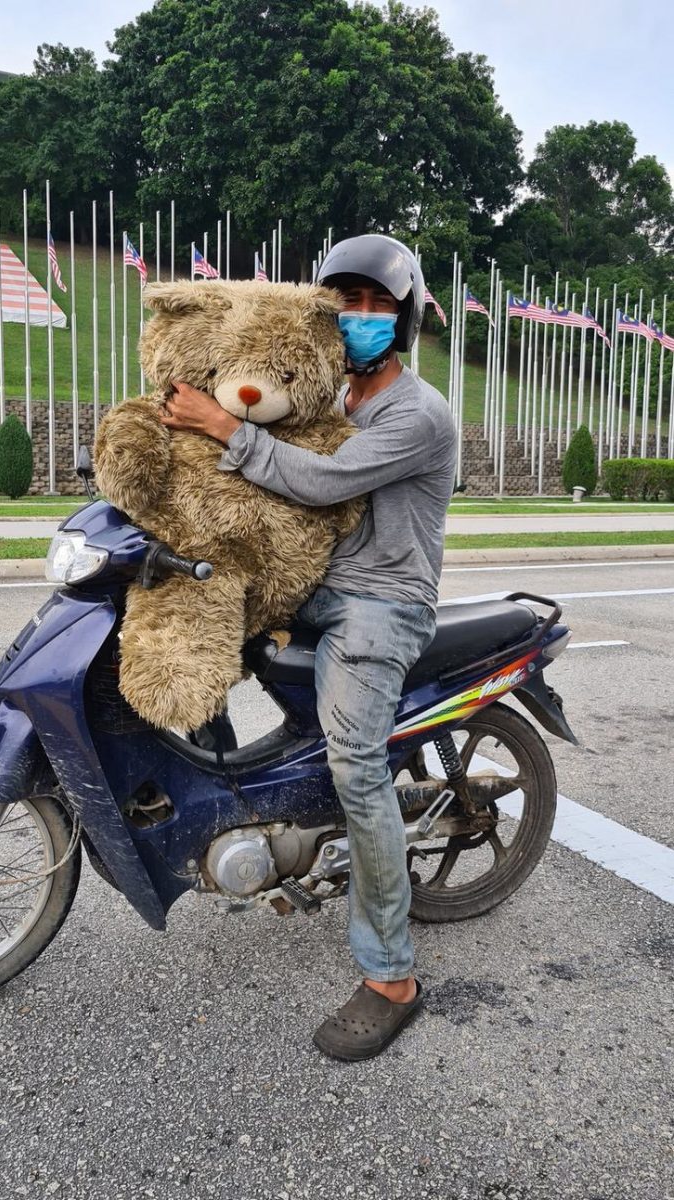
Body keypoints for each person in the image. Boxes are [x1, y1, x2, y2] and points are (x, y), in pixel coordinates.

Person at [160, 235, 457, 1060]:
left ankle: (393, 975)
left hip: (384, 604)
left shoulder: (416, 414)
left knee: (355, 765)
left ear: (403, 316)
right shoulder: (330, 399)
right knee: (196, 620)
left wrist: (224, 425)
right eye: (344, 302)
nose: (358, 318)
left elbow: (319, 481)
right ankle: (219, 794)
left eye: (376, 304)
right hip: (320, 585)